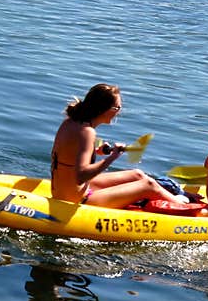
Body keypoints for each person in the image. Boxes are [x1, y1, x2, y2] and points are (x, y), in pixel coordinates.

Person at [50, 84, 189, 208]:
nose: (119, 112)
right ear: (105, 109)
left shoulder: (70, 122)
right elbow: (81, 175)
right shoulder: (87, 132)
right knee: (149, 185)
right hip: (76, 199)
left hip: (64, 190)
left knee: (137, 174)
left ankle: (170, 197)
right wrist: (113, 157)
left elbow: (68, 155)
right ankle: (182, 206)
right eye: (117, 108)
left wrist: (96, 151)